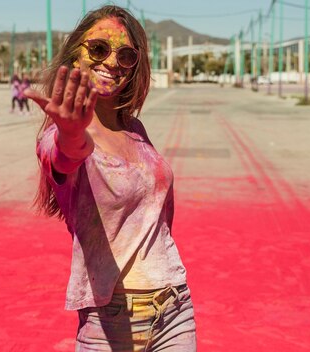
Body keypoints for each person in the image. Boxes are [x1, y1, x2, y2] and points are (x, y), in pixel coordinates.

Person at [25, 5, 197, 352]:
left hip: (174, 307)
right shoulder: (58, 137)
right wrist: (72, 133)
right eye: (99, 49)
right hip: (110, 319)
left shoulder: (134, 130)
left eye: (126, 55)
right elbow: (65, 154)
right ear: (75, 52)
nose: (112, 62)